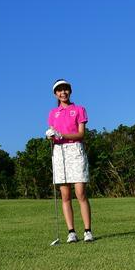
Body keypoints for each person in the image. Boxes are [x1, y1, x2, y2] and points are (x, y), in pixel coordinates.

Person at [46, 79, 93, 243]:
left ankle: (88, 231)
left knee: (80, 192)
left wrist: (62, 135)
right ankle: (71, 232)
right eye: (59, 90)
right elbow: (53, 134)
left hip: (75, 149)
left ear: (70, 91)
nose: (63, 92)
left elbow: (81, 134)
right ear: (55, 94)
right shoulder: (53, 113)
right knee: (65, 195)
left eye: (65, 89)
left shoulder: (79, 109)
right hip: (59, 152)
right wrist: (50, 137)